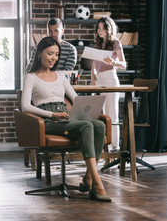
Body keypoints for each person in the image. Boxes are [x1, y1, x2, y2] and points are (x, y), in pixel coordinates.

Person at [22, 37, 111, 202]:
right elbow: (25, 107)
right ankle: (97, 183)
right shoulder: (31, 77)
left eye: (56, 54)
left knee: (98, 125)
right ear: (40, 53)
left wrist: (86, 109)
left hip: (65, 118)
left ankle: (88, 178)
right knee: (86, 127)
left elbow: (76, 99)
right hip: (47, 121)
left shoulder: (61, 76)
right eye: (50, 54)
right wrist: (52, 115)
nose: (53, 58)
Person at [90, 16, 127, 152]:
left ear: (109, 29)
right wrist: (93, 79)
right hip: (99, 80)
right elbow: (94, 65)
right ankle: (103, 145)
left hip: (110, 78)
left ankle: (114, 146)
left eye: (103, 28)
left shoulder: (115, 43)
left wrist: (113, 62)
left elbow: (124, 64)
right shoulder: (98, 44)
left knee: (112, 113)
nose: (100, 31)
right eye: (99, 28)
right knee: (101, 114)